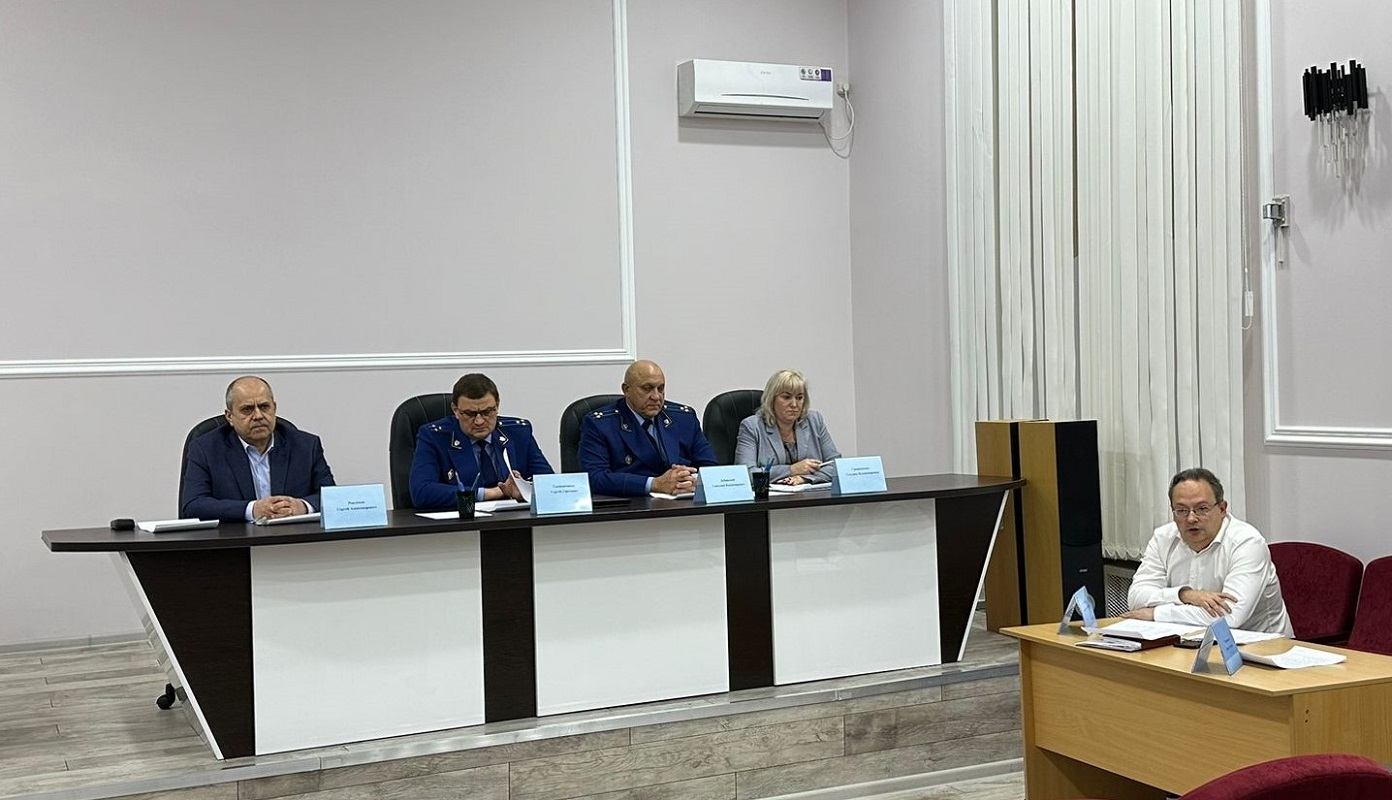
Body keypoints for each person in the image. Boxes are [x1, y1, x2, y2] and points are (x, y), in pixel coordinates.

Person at [1123, 467, 1293, 636]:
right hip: (1189, 640)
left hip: (1261, 645)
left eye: (1202, 509)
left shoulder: (1247, 542)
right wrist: (1185, 595)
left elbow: (1230, 616)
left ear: (1222, 509)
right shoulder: (1163, 538)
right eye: (1181, 510)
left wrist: (1156, 614)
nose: (1191, 518)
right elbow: (1136, 598)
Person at [180, 376, 336, 523]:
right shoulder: (205, 449)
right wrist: (252, 509)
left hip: (291, 538)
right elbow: (193, 506)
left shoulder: (306, 446)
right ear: (229, 417)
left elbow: (333, 498)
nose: (258, 416)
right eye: (247, 409)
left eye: (264, 407)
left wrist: (303, 506)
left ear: (274, 408)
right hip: (236, 540)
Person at [409, 373, 554, 509]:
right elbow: (421, 492)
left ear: (497, 406)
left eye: (487, 412)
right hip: (461, 523)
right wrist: (491, 493)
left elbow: (551, 485)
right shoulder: (434, 437)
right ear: (455, 410)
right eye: (470, 414)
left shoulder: (518, 432)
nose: (479, 421)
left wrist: (524, 490)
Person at [578, 360, 717, 497]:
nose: (656, 397)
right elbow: (595, 478)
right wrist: (654, 484)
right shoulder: (600, 424)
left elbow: (710, 467)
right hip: (634, 505)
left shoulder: (684, 418)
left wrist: (690, 479)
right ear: (626, 390)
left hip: (685, 500)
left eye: (660, 388)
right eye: (647, 388)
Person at [734, 369, 841, 485]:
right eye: (786, 397)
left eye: (799, 398)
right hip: (770, 496)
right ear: (772, 399)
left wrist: (806, 479)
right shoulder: (752, 427)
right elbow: (745, 475)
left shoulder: (814, 421)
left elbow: (836, 464)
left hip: (810, 494)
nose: (794, 404)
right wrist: (791, 470)